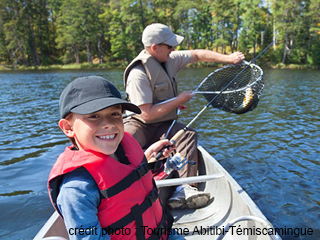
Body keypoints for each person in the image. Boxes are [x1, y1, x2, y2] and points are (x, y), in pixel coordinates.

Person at [123, 23, 245, 209]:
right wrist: (178, 99)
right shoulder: (138, 74)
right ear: (155, 48)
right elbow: (146, 114)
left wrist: (228, 59)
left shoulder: (169, 59)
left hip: (164, 123)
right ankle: (120, 186)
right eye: (169, 46)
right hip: (139, 122)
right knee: (124, 142)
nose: (173, 49)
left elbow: (197, 54)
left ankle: (185, 189)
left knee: (188, 135)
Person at [48, 76, 185, 240]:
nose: (109, 124)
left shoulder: (123, 148)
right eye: (94, 116)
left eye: (115, 113)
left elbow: (128, 175)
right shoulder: (76, 189)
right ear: (68, 127)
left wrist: (147, 156)